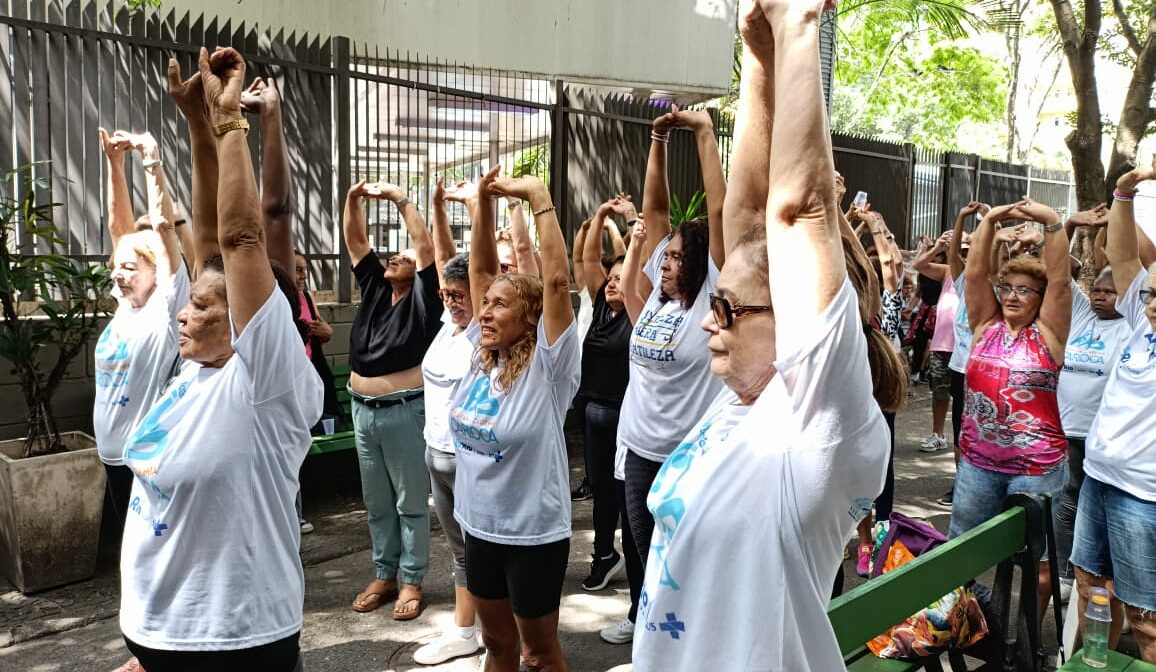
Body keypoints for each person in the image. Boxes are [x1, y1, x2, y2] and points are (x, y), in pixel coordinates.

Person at [631, 2, 902, 667]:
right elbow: (750, 213)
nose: (706, 322)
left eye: (728, 311)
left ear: (805, 326)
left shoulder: (819, 420)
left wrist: (798, 24)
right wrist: (756, 56)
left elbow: (799, 208)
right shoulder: (740, 405)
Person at [111, 46, 322, 671]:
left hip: (233, 642)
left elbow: (239, 238)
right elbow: (209, 241)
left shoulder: (264, 382)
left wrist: (233, 123)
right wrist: (198, 126)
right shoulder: (197, 371)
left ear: (249, 323)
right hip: (162, 634)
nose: (183, 312)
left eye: (203, 307)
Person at [448, 167, 578, 672]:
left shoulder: (550, 365)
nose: (484, 311)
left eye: (500, 306)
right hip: (479, 527)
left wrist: (539, 197)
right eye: (485, 304)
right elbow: (481, 272)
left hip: (533, 535)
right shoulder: (483, 357)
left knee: (538, 654)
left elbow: (559, 281)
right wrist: (480, 202)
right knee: (497, 646)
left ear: (530, 318)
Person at [615, 102, 727, 645]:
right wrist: (657, 140)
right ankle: (656, 651)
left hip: (689, 461)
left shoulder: (710, 301)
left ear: (702, 265)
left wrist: (704, 135)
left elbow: (721, 212)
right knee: (649, 571)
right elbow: (655, 211)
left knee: (688, 576)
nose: (665, 260)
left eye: (678, 256)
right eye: (666, 255)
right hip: (640, 454)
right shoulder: (658, 303)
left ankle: (692, 652)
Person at [95, 128, 188, 672]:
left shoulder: (164, 303)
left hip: (147, 459)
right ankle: (146, 649)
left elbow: (163, 233)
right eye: (118, 266)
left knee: (157, 556)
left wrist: (151, 163)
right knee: (133, 558)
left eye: (131, 266)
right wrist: (112, 166)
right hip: (113, 458)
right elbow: (118, 228)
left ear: (156, 270)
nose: (120, 272)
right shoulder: (127, 305)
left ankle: (162, 652)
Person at [952, 198, 1071, 612]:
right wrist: (991, 220)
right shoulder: (985, 325)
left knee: (1035, 566)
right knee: (956, 559)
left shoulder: (1049, 335)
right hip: (979, 465)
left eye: (1025, 290)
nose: (1013, 296)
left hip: (1037, 469)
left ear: (1039, 297)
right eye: (1007, 288)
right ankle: (986, 623)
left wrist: (1054, 222)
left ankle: (1025, 645)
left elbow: (1059, 281)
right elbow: (975, 274)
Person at [343, 176, 443, 620]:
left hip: (404, 410)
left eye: (404, 258)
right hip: (362, 410)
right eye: (393, 255)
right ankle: (384, 573)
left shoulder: (425, 299)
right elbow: (355, 240)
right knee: (377, 502)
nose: (396, 256)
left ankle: (411, 579)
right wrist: (352, 199)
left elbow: (424, 246)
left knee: (408, 501)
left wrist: (402, 200)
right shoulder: (377, 289)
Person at [1069, 162, 1156, 663]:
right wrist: (1124, 191)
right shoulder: (1140, 322)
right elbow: (1121, 254)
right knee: (1091, 592)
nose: (1149, 301)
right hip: (1099, 477)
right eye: (1148, 293)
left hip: (1143, 495)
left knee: (1147, 620)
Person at [412, 176, 482, 665]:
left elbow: (479, 266)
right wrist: (436, 204)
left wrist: (480, 209)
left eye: (461, 293)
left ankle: (504, 642)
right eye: (446, 294)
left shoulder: (482, 330)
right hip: (435, 456)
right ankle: (466, 631)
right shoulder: (447, 326)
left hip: (470, 460)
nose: (452, 300)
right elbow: (443, 261)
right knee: (459, 553)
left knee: (487, 556)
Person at [577, 197, 634, 599]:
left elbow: (636, 267)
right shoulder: (600, 307)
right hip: (593, 413)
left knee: (624, 493)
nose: (612, 282)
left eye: (620, 277)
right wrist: (599, 217)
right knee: (599, 489)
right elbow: (585, 263)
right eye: (609, 277)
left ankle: (637, 559)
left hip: (625, 416)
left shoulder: (638, 311)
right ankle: (602, 554)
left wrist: (630, 222)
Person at [292, 250, 339, 535]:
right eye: (297, 270)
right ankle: (293, 512)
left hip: (310, 375)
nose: (302, 276)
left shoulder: (307, 298)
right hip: (289, 380)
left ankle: (297, 509)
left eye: (304, 270)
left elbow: (326, 332)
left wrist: (324, 330)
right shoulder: (281, 298)